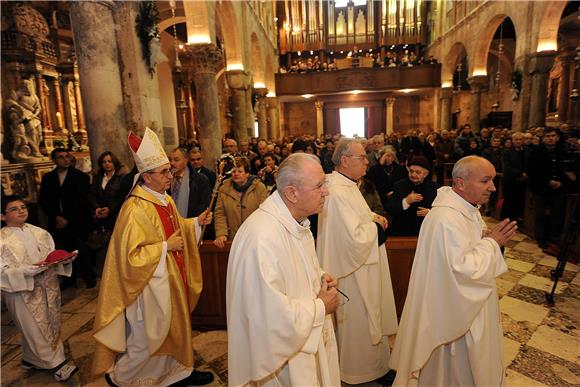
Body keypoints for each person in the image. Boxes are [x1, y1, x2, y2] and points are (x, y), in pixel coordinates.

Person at [91, 128, 214, 386]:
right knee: (147, 339)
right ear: (146, 177)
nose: (171, 175)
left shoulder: (165, 200)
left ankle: (180, 372)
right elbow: (130, 257)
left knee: (176, 328)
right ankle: (120, 377)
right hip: (148, 286)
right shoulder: (135, 208)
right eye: (164, 172)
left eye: (170, 170)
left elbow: (177, 229)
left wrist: (195, 224)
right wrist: (164, 248)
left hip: (171, 278)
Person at [390, 155, 518, 386]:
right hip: (452, 315)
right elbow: (462, 269)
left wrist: (483, 237)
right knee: (454, 372)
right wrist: (492, 243)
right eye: (485, 181)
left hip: (468, 304)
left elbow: (462, 250)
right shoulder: (445, 218)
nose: (492, 187)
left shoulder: (467, 209)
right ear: (460, 183)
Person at [227, 153, 341, 386]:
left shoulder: (294, 222)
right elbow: (269, 318)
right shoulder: (262, 238)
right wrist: (321, 307)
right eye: (319, 186)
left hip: (301, 348)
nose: (326, 192)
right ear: (292, 193)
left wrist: (318, 277)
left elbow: (294, 268)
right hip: (279, 365)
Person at [317, 138, 398, 385]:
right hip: (352, 272)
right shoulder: (338, 192)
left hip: (362, 266)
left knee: (369, 317)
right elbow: (354, 238)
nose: (367, 161)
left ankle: (378, 366)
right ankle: (360, 371)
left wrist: (372, 217)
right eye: (361, 157)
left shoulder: (348, 185)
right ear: (344, 161)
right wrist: (376, 226)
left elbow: (356, 218)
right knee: (360, 320)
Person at [1, 195, 77, 381]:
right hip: (22, 291)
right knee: (34, 327)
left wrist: (64, 260)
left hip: (47, 286)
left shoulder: (39, 232)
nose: (21, 210)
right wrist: (27, 271)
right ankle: (56, 364)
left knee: (49, 323)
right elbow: (2, 271)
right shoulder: (2, 241)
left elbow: (51, 257)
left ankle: (30, 358)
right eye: (14, 209)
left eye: (23, 206)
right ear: (2, 216)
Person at [38, 148, 95, 288]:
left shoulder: (81, 177)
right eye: (60, 157)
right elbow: (45, 200)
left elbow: (82, 201)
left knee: (82, 250)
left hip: (77, 220)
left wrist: (67, 219)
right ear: (54, 160)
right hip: (57, 221)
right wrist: (56, 217)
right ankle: (70, 279)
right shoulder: (48, 178)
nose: (65, 159)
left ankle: (89, 277)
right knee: (64, 252)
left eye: (66, 156)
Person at [213, 156, 268, 248]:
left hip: (255, 237)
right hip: (232, 238)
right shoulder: (223, 189)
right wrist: (221, 234)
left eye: (240, 171)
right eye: (233, 171)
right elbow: (220, 214)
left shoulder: (259, 188)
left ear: (247, 173)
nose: (236, 174)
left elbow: (265, 213)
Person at [384, 156, 437, 236]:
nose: (413, 175)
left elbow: (442, 210)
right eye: (411, 171)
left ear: (425, 174)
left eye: (417, 172)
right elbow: (389, 208)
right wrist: (406, 201)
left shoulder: (435, 188)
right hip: (402, 231)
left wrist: (430, 213)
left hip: (425, 231)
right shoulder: (399, 185)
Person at [169, 147, 211, 218]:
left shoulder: (200, 180)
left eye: (176, 160)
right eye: (170, 160)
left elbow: (203, 205)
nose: (172, 163)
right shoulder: (166, 178)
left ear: (186, 160)